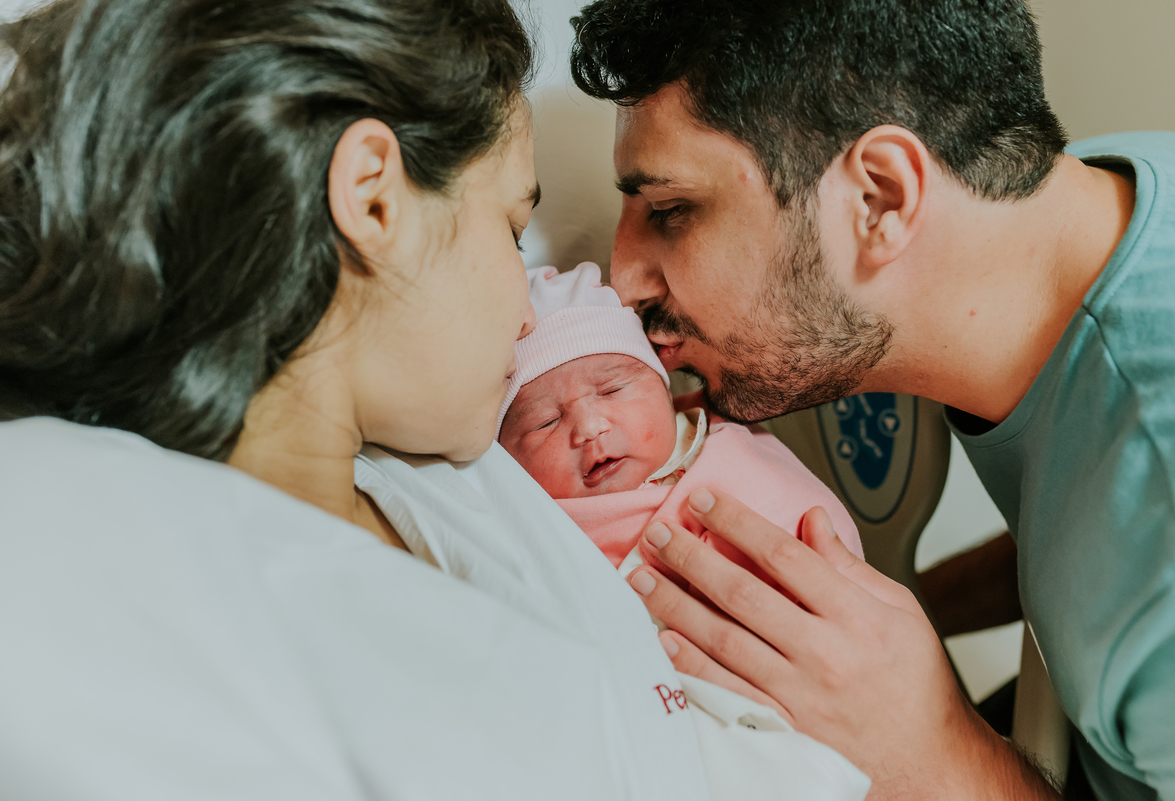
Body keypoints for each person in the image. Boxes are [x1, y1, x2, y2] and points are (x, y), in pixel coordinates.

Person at [0, 1, 715, 797]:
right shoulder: (67, 546)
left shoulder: (456, 469)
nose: (526, 313)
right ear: (373, 198)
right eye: (513, 232)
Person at [568, 1, 1175, 800]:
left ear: (878, 196)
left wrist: (936, 752)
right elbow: (1100, 526)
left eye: (670, 210)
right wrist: (871, 643)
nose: (622, 281)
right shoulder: (1099, 199)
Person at [497, 262, 863, 580]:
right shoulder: (529, 534)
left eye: (611, 390)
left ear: (664, 391)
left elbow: (795, 509)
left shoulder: (725, 440)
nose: (590, 428)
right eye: (545, 422)